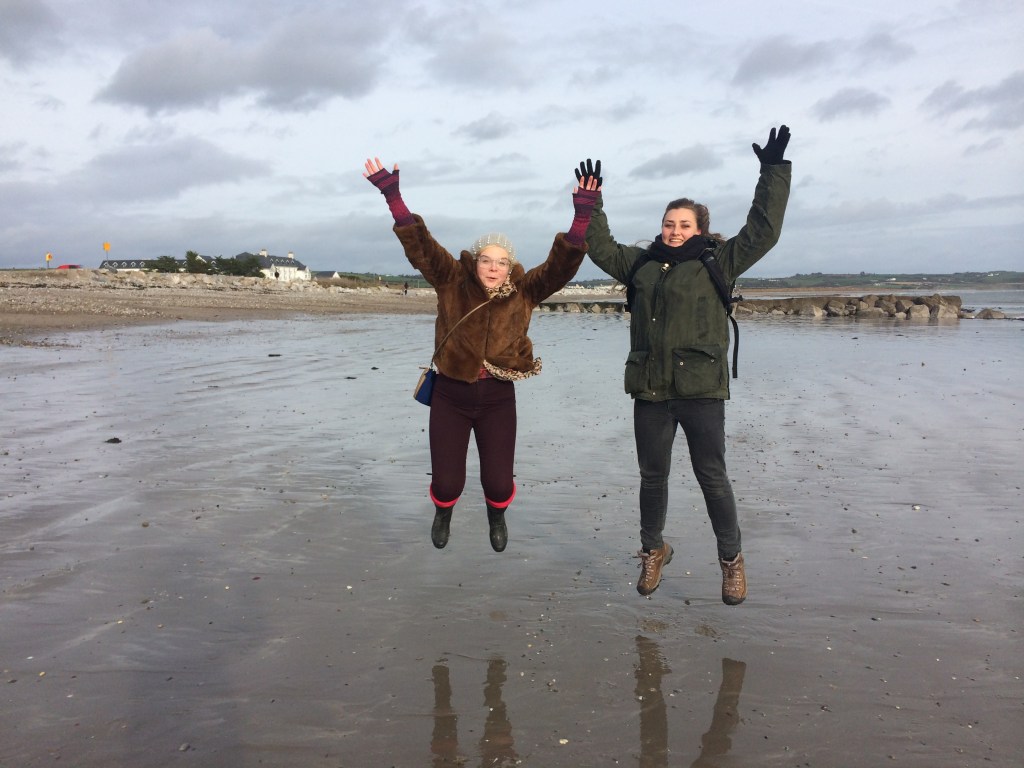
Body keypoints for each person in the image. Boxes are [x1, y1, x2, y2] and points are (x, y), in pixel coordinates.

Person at [579, 125, 792, 603]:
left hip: (700, 389)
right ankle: (653, 550)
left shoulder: (722, 260)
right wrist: (591, 203)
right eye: (669, 223)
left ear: (700, 228)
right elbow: (600, 246)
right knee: (651, 476)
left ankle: (731, 561)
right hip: (651, 390)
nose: (674, 231)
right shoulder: (641, 264)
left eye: (684, 225)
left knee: (711, 475)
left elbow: (765, 228)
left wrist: (773, 171)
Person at [363, 156, 599, 552]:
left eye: (502, 262)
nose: (494, 267)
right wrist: (394, 197)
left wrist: (581, 219)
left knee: (498, 480)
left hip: (497, 396)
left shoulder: (526, 289)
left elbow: (560, 268)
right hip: (450, 394)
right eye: (487, 260)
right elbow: (420, 248)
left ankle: (497, 515)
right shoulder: (451, 278)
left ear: (511, 267)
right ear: (475, 262)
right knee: (448, 480)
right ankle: (443, 512)